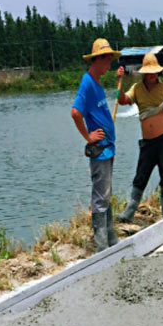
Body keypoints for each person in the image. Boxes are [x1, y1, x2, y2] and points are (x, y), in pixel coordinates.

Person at [116, 52, 163, 221]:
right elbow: (122, 100)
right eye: (149, 73)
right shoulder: (137, 89)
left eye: (154, 72)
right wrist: (119, 83)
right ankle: (130, 211)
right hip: (147, 143)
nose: (152, 75)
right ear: (144, 73)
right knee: (140, 175)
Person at [71, 38, 120, 252]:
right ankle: (101, 245)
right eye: (107, 60)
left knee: (106, 193)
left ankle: (109, 237)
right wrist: (88, 137)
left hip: (108, 147)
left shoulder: (98, 82)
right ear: (97, 60)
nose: (109, 64)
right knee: (100, 197)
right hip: (99, 151)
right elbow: (75, 112)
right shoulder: (88, 83)